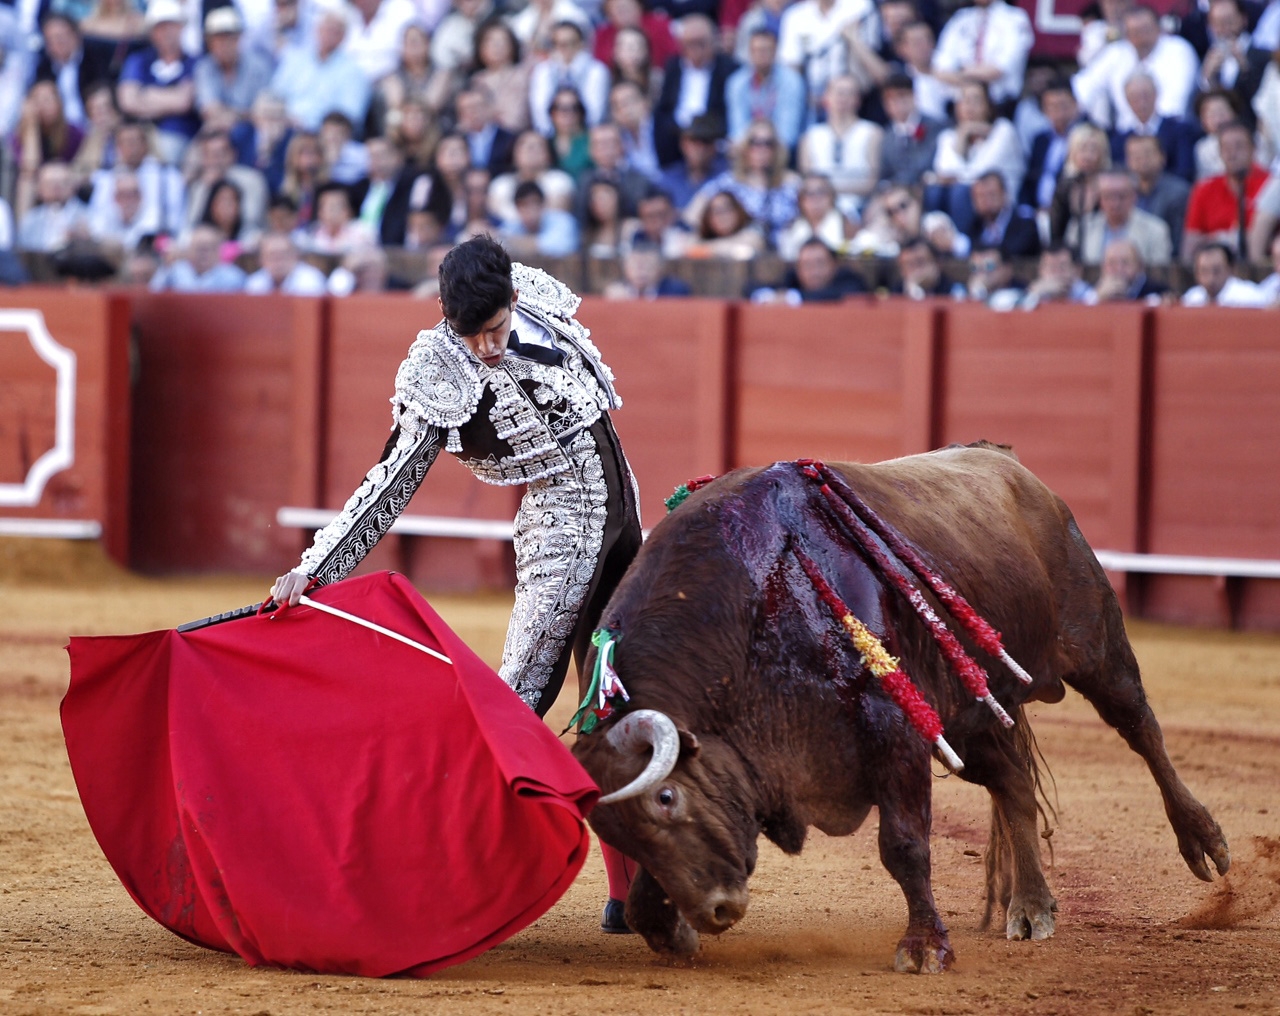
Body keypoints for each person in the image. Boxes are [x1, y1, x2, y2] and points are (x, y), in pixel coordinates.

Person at [269, 235, 644, 933]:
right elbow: (390, 480)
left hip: (623, 519)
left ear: (512, 298)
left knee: (621, 693)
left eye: (496, 330)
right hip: (563, 533)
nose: (487, 349)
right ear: (447, 318)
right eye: (471, 335)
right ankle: (424, 872)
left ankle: (629, 894)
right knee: (519, 700)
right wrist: (315, 569)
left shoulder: (530, 292)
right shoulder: (439, 367)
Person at [116, 0, 200, 164]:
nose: (166, 32)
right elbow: (127, 101)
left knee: (164, 153)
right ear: (152, 32)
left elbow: (183, 102)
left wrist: (145, 94)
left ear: (181, 28)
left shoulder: (194, 62)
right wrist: (170, 98)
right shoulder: (138, 60)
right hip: (138, 132)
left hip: (177, 133)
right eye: (160, 27)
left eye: (171, 26)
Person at [1182, 120, 1271, 263]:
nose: (1232, 154)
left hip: (1261, 269)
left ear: (1253, 148)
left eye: (1239, 146)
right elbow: (1190, 246)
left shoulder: (1271, 184)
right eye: (1226, 148)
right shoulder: (1204, 189)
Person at [724, 28, 806, 154]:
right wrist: (754, 148)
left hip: (780, 151)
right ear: (749, 53)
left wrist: (765, 147)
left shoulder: (791, 81)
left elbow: (788, 132)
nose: (761, 55)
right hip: (747, 150)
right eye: (756, 50)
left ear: (775, 51)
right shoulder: (737, 83)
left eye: (766, 50)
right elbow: (737, 128)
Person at [1077, 168, 1172, 265]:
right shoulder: (1082, 226)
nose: (1115, 203)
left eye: (1121, 196)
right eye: (1108, 196)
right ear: (1099, 198)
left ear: (1134, 196)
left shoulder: (1156, 230)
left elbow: (1159, 273)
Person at [750, 237, 868, 302]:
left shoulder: (850, 281)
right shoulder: (792, 280)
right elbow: (750, 288)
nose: (814, 271)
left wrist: (792, 298)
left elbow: (837, 295)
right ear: (798, 269)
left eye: (820, 263)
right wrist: (769, 297)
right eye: (807, 265)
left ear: (834, 264)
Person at [1084, 236, 1169, 303]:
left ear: (1139, 266)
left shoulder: (1157, 292)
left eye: (1125, 263)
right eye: (1112, 263)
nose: (1119, 269)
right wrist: (1098, 298)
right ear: (1103, 267)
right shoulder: (1095, 292)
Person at [1181, 241, 1270, 304]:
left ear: (1230, 269)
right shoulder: (1192, 299)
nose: (1211, 278)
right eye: (1204, 271)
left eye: (1216, 271)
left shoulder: (1250, 298)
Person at [244, 230, 329, 294]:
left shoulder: (310, 280)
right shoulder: (255, 283)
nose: (277, 260)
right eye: (272, 255)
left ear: (295, 256)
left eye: (283, 255)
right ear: (261, 260)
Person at [602, 239, 692, 297]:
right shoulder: (617, 292)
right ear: (625, 268)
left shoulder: (675, 292)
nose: (641, 271)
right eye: (635, 265)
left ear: (660, 268)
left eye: (648, 265)